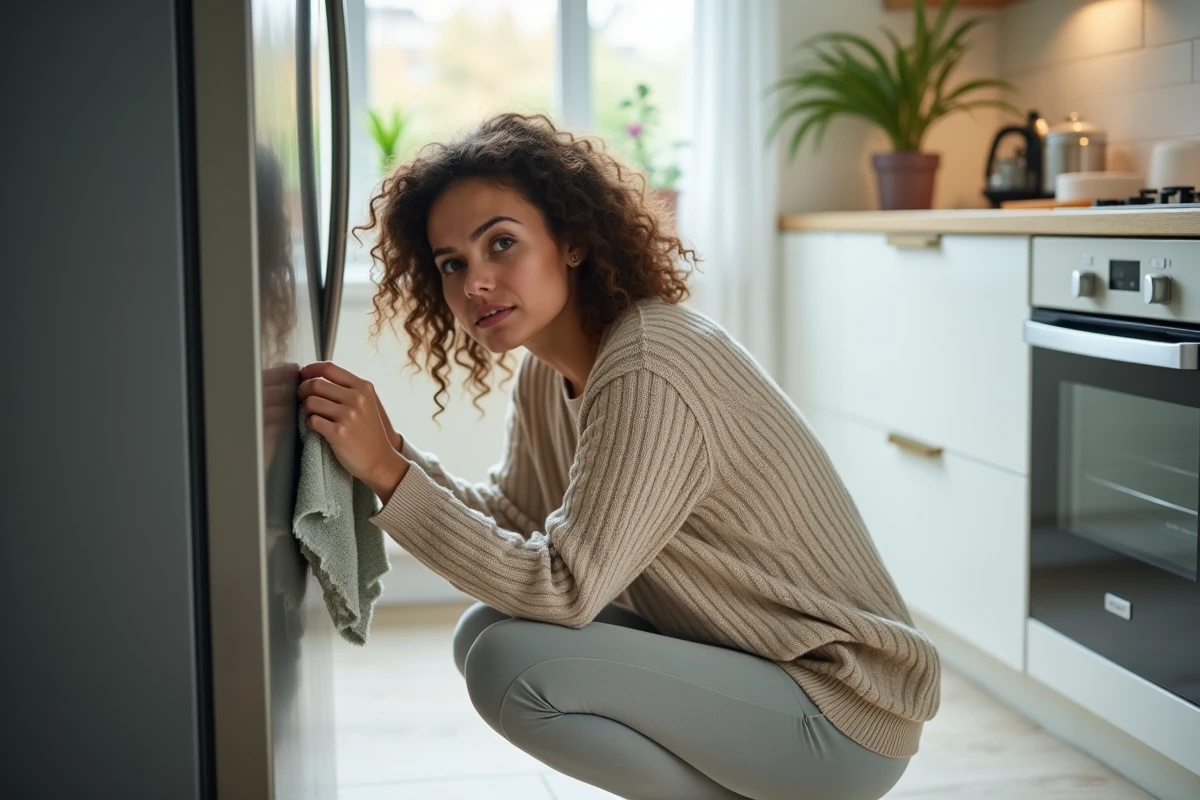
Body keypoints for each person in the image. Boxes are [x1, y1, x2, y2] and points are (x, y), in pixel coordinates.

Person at [296, 112, 940, 800]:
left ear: (570, 241)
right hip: (761, 672)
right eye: (453, 264)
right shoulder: (552, 372)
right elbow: (516, 518)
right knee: (483, 631)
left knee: (510, 665)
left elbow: (565, 591)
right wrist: (390, 452)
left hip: (842, 711)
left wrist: (390, 476)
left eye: (501, 244)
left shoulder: (647, 365)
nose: (474, 283)